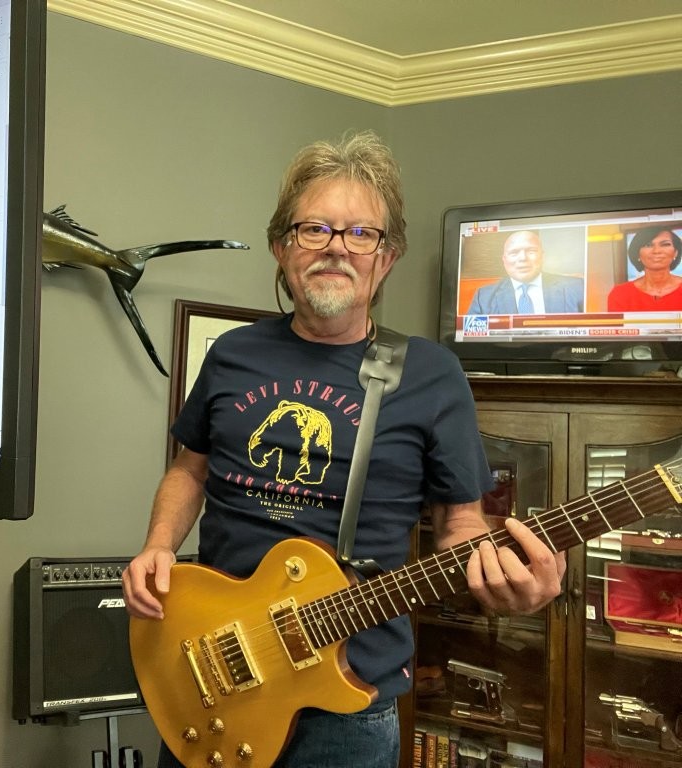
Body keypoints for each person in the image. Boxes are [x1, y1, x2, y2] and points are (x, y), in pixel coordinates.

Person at [122, 131, 566, 768]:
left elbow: (460, 524)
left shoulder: (432, 375)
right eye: (315, 230)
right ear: (282, 247)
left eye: (361, 233)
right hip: (210, 667)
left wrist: (508, 582)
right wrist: (159, 544)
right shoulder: (232, 354)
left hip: (345, 703)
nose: (337, 248)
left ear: (385, 259)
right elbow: (189, 469)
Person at [466, 230, 584, 315]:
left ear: (542, 256)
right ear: (504, 259)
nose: (522, 258)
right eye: (514, 253)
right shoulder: (484, 297)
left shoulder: (577, 288)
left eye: (531, 251)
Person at [607, 226, 682, 311]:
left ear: (676, 252)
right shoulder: (620, 293)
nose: (656, 251)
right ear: (637, 253)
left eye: (665, 244)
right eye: (648, 245)